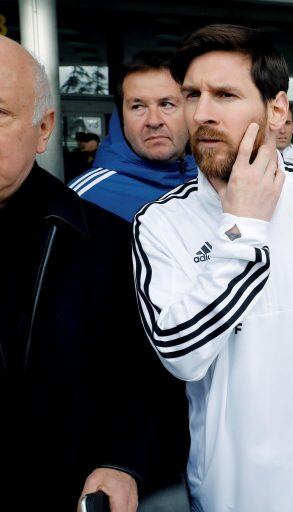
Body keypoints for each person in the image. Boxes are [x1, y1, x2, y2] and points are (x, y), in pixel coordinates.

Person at [132, 24, 293, 511]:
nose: (201, 113)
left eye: (225, 94)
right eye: (191, 95)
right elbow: (181, 352)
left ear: (276, 109)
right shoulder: (162, 223)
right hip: (231, 494)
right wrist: (242, 226)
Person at [0, 35, 169, 511]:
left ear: (43, 128)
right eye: (139, 105)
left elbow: (145, 375)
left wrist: (122, 460)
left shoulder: (106, 242)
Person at [70, 52, 197, 222]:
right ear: (121, 118)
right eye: (138, 107)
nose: (154, 121)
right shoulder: (83, 199)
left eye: (166, 104)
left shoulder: (216, 182)